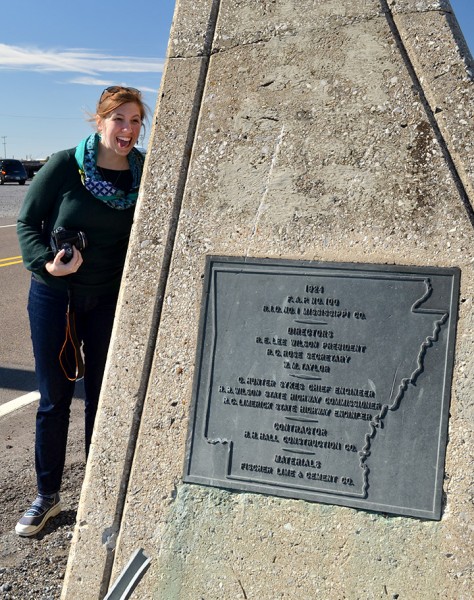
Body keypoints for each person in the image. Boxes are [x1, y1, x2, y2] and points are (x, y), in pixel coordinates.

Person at [15, 86, 148, 537]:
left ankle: (97, 492)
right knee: (54, 399)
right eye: (119, 120)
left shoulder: (144, 171)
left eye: (135, 121)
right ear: (100, 121)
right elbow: (27, 223)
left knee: (103, 397)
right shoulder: (64, 166)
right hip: (56, 296)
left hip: (109, 298)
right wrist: (47, 262)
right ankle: (47, 496)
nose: (127, 130)